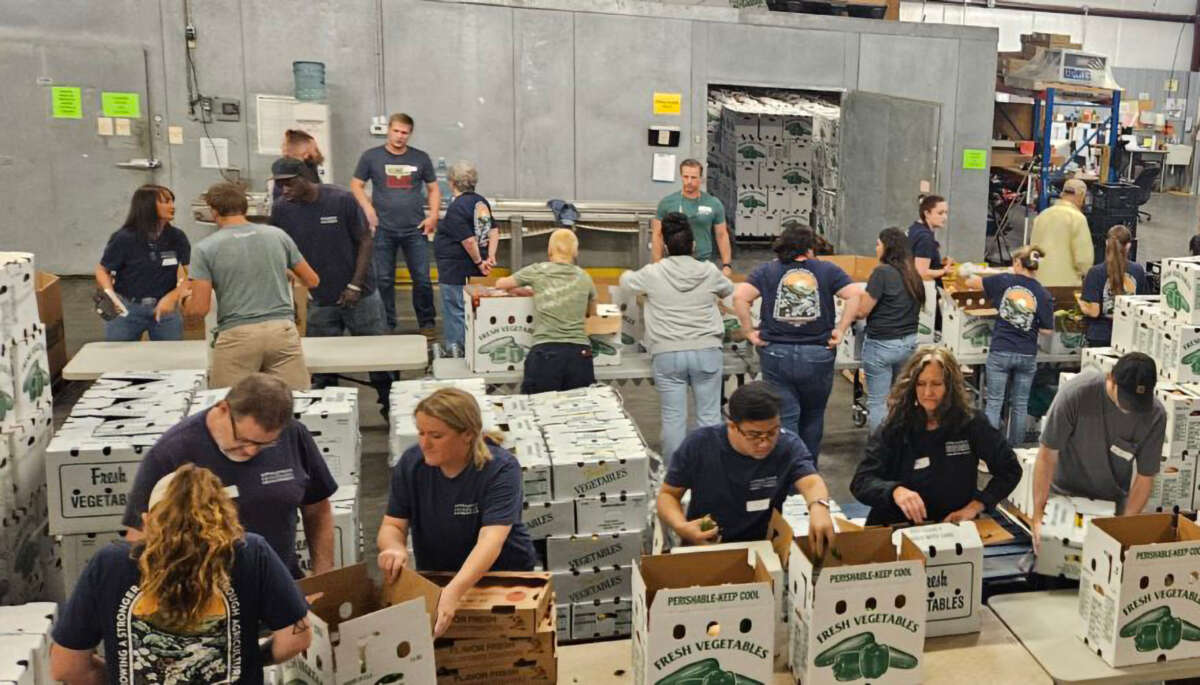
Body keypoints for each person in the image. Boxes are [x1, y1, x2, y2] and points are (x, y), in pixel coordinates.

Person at [51, 464, 311, 685]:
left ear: (148, 519)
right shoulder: (250, 553)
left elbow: (66, 666)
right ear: (225, 516)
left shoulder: (110, 563)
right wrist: (253, 658)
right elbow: (296, 638)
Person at [122, 373, 339, 579]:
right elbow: (139, 537)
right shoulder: (172, 453)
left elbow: (318, 510)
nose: (251, 451)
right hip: (205, 598)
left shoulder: (293, 435)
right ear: (223, 409)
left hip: (281, 587)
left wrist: (323, 577)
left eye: (265, 445)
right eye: (244, 440)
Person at [378, 388, 536, 637]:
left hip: (500, 577)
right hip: (440, 575)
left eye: (436, 436)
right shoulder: (412, 464)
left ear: (468, 434)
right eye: (421, 433)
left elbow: (491, 540)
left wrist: (454, 591)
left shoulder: (500, 469)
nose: (424, 443)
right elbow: (393, 525)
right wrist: (393, 548)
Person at [269, 157, 393, 415]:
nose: (284, 190)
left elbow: (365, 241)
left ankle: (389, 409)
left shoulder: (341, 199)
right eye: (279, 185)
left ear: (304, 177)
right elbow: (280, 250)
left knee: (380, 360)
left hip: (361, 295)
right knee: (321, 366)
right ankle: (326, 418)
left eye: (289, 184)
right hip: (319, 299)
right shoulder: (281, 209)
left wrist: (355, 286)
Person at [850, 346, 1022, 526]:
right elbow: (861, 481)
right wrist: (894, 491)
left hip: (951, 528)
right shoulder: (896, 425)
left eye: (936, 384)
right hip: (899, 528)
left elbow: (1010, 469)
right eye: (921, 384)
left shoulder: (971, 423)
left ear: (950, 386)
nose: (927, 393)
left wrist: (976, 506)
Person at [732, 225, 861, 463]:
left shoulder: (766, 270)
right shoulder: (827, 269)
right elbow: (854, 294)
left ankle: (788, 474)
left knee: (786, 417)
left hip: (776, 354)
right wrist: (840, 329)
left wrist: (749, 331)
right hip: (817, 353)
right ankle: (807, 474)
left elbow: (740, 296)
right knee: (813, 415)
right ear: (809, 247)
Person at [657, 381, 834, 553]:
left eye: (772, 432)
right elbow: (668, 495)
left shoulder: (787, 445)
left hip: (762, 547)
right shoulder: (699, 445)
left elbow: (810, 481)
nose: (764, 443)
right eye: (754, 435)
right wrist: (682, 527)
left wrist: (819, 507)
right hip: (707, 546)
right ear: (732, 426)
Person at [620, 212, 734, 463]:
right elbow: (729, 290)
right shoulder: (709, 271)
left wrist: (631, 275)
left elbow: (626, 283)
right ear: (693, 246)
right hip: (707, 351)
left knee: (673, 419)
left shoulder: (652, 273)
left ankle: (675, 478)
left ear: (667, 247)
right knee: (709, 417)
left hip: (667, 353)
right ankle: (710, 472)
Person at [185, 182, 319, 390]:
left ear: (213, 211)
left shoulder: (205, 249)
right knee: (292, 405)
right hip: (282, 331)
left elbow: (200, 308)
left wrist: (186, 307)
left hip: (238, 335)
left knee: (232, 409)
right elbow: (312, 280)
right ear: (245, 207)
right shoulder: (277, 235)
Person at [1030, 353, 1166, 551]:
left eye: (1138, 402)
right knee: (1053, 567)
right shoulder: (1076, 394)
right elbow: (1047, 455)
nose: (1131, 409)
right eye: (1127, 399)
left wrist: (1125, 528)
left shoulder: (1154, 415)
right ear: (1111, 379)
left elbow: (1145, 478)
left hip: (1110, 507)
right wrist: (1038, 515)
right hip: (1063, 499)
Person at [351, 112, 439, 336]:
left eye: (405, 133)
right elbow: (356, 184)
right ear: (389, 130)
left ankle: (427, 324)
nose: (400, 136)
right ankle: (387, 325)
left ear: (410, 135)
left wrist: (434, 215)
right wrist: (368, 209)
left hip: (415, 229)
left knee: (422, 279)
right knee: (384, 279)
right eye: (396, 131)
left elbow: (433, 188)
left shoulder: (421, 158)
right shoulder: (371, 157)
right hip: (383, 230)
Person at [961, 246, 1054, 446]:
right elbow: (1047, 330)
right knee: (1020, 405)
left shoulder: (1004, 281)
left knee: (994, 403)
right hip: (1027, 353)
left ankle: (991, 452)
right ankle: (1016, 451)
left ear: (1019, 264)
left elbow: (971, 282)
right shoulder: (1043, 293)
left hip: (1001, 350)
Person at [495, 229, 598, 394]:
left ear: (549, 250)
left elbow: (501, 284)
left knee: (539, 412)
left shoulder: (538, 270)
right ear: (575, 252)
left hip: (546, 353)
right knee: (579, 413)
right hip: (580, 354)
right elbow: (591, 312)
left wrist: (530, 291)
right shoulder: (584, 276)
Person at [95, 184, 190, 341]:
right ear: (148, 206)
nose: (172, 206)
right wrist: (111, 296)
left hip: (165, 311)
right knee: (118, 359)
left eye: (172, 201)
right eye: (165, 202)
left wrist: (173, 297)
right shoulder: (124, 238)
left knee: (169, 359)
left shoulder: (177, 237)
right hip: (127, 309)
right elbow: (102, 270)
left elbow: (189, 275)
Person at [858, 227, 924, 432]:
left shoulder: (881, 273)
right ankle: (899, 445)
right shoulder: (913, 274)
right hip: (908, 345)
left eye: (878, 244)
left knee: (878, 403)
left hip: (881, 344)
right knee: (899, 400)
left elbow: (863, 311)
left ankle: (880, 451)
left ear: (887, 247)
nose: (876, 248)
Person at [434, 160, 498, 356]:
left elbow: (468, 241)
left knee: (455, 310)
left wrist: (480, 261)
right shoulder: (481, 202)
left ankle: (458, 351)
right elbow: (494, 231)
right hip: (468, 266)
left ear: (452, 182)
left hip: (454, 267)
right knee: (465, 308)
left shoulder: (457, 207)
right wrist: (490, 257)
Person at [651, 159, 732, 275]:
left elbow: (722, 235)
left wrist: (726, 265)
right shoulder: (667, 203)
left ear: (701, 179)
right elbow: (657, 235)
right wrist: (657, 264)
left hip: (703, 264)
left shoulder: (713, 203)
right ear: (681, 177)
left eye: (693, 178)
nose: (689, 181)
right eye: (686, 177)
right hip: (674, 264)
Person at [1081, 225, 1147, 347]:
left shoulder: (1095, 272)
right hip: (1129, 334)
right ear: (1128, 245)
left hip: (1100, 336)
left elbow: (1094, 312)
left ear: (1107, 243)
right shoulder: (1138, 270)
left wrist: (1083, 305)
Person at [1030, 178, 1092, 287]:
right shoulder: (1078, 219)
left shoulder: (1042, 216)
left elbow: (1033, 250)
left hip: (1039, 282)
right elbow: (1083, 259)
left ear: (1063, 194)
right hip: (1066, 284)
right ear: (1081, 195)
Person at [908, 194, 955, 283]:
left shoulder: (915, 228)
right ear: (927, 213)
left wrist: (938, 262)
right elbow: (922, 273)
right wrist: (944, 271)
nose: (945, 217)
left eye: (946, 213)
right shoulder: (925, 237)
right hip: (921, 289)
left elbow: (916, 258)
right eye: (940, 213)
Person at [270, 128, 324, 203]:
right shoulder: (305, 178)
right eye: (315, 149)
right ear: (306, 154)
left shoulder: (280, 176)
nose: (317, 153)